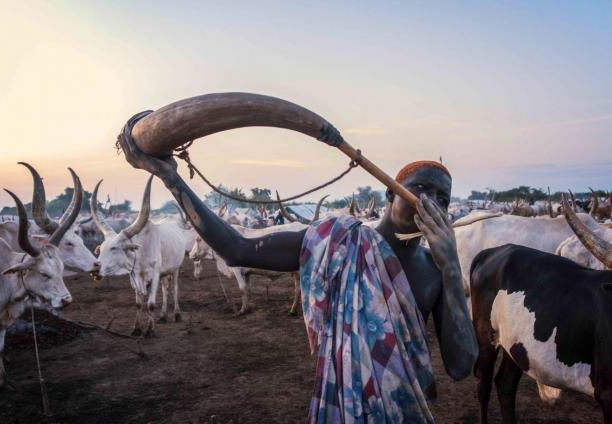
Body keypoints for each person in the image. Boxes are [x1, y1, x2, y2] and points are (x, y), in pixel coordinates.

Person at [120, 130, 477, 422]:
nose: (430, 202)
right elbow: (237, 249)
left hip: (405, 413)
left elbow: (462, 367)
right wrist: (172, 179)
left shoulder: (435, 270)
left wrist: (451, 267)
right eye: (420, 189)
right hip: (342, 410)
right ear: (389, 193)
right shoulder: (337, 241)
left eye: (442, 199)